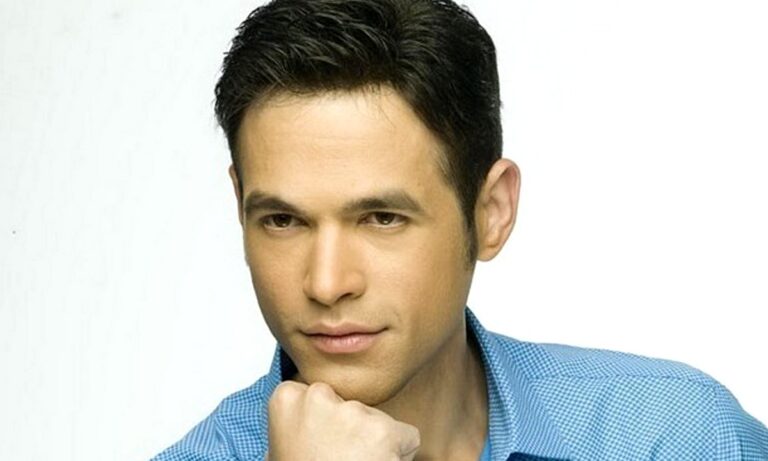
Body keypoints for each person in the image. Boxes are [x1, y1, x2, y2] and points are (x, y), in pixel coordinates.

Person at [152, 0, 768, 459]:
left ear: (491, 212)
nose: (327, 283)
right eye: (283, 220)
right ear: (240, 207)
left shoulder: (678, 437)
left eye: (382, 218)